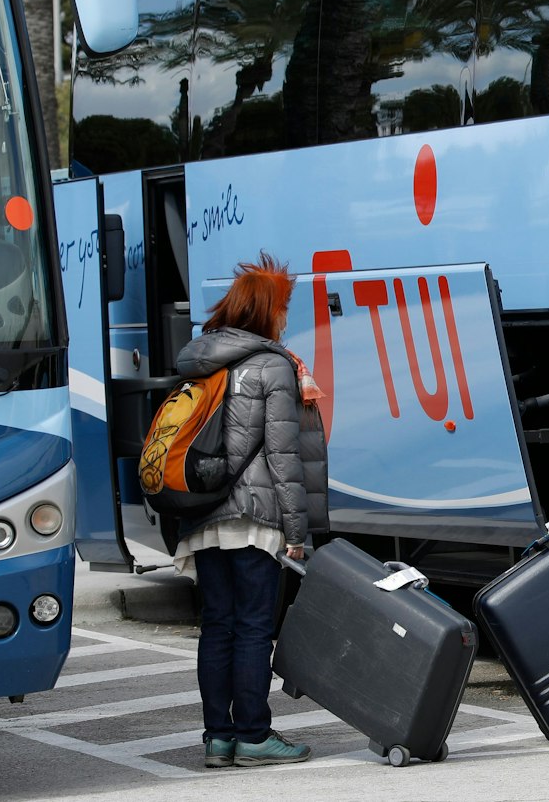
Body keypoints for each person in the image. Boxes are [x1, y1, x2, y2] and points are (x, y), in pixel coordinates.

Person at [171, 253, 329, 769]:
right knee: (256, 627)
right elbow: (283, 457)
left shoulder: (201, 358)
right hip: (254, 517)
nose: (286, 316)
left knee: (218, 625)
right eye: (282, 306)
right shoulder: (272, 365)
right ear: (265, 311)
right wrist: (298, 531)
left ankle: (219, 737)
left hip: (205, 513)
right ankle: (255, 736)